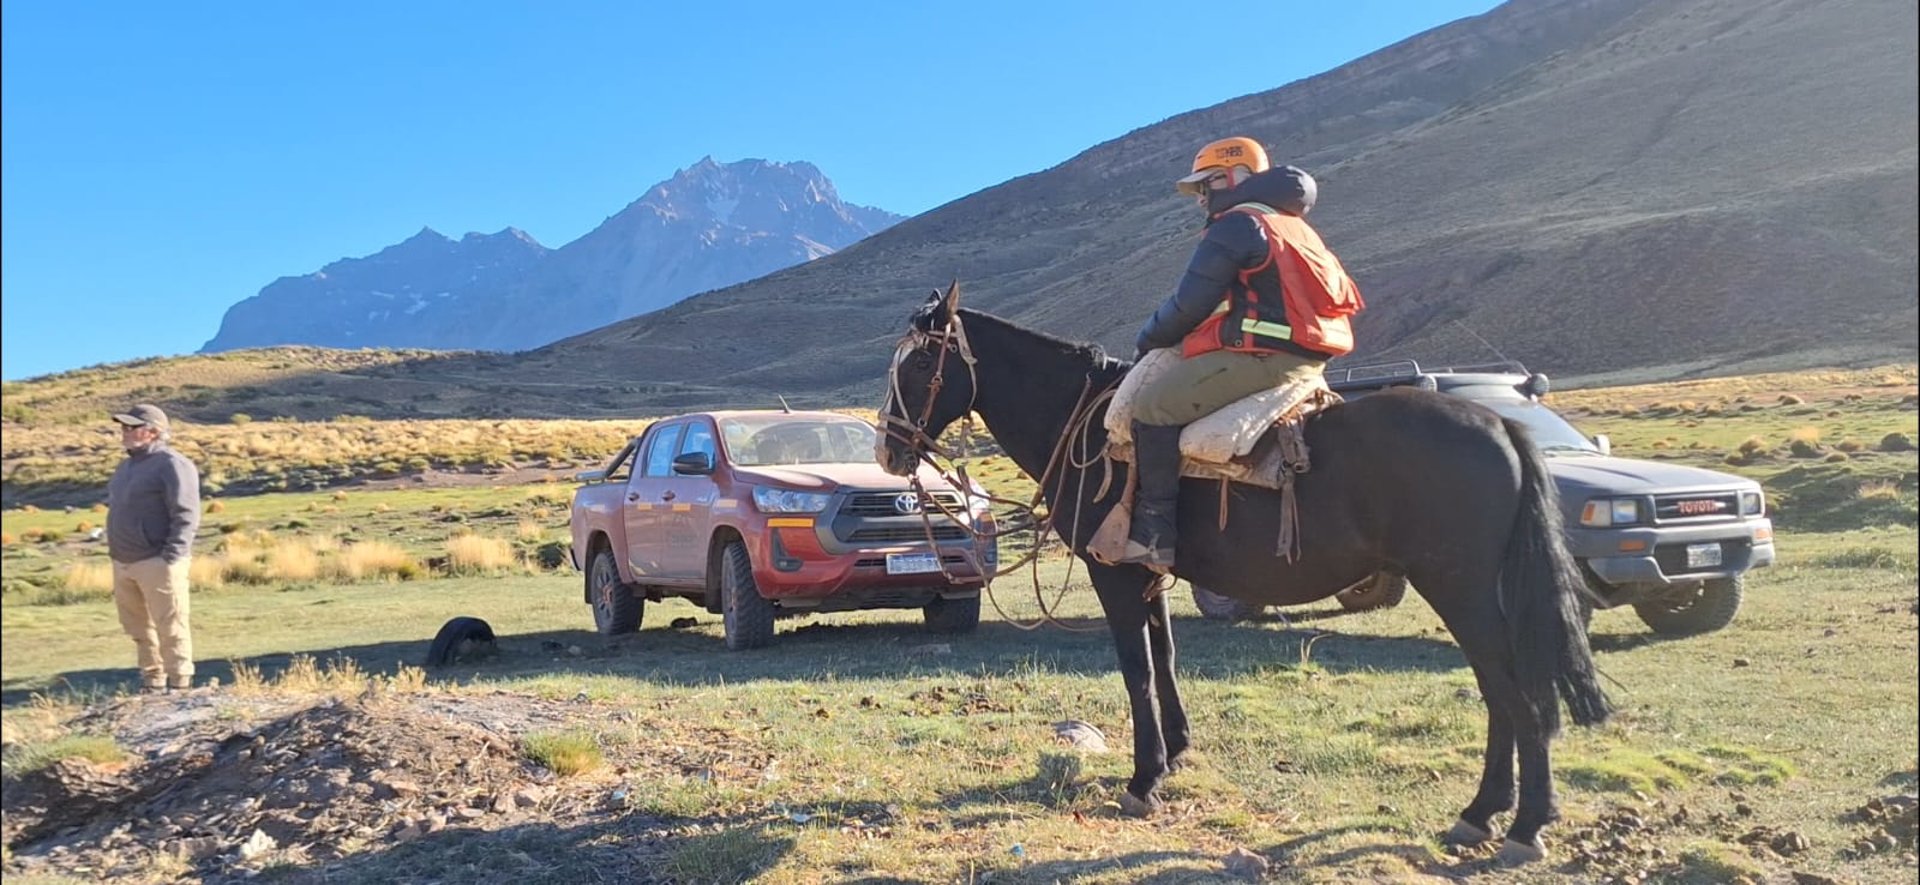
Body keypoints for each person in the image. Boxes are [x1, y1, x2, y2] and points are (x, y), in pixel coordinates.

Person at [1118, 137, 1365, 570]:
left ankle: (1154, 535)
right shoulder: (1292, 226)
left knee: (1153, 406)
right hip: (1307, 358)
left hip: (1262, 358)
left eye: (1204, 186)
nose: (1201, 199)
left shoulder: (1237, 225)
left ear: (1232, 178)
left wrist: (1147, 340)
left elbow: (1189, 304)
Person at [105, 403, 201, 692]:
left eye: (132, 426)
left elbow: (187, 513)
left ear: (154, 431)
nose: (125, 431)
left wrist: (171, 557)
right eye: (123, 426)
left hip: (158, 561)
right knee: (137, 627)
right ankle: (153, 682)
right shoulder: (126, 466)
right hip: (123, 561)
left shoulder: (173, 464)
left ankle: (180, 683)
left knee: (170, 625)